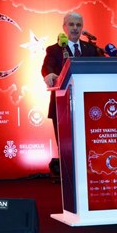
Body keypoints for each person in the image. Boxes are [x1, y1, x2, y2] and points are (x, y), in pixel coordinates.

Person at [41, 11, 98, 139]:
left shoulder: (91, 48)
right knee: (65, 144)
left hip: (88, 105)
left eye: (78, 25)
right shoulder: (54, 49)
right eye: (71, 24)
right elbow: (47, 66)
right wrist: (49, 74)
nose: (75, 28)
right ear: (64, 27)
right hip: (62, 105)